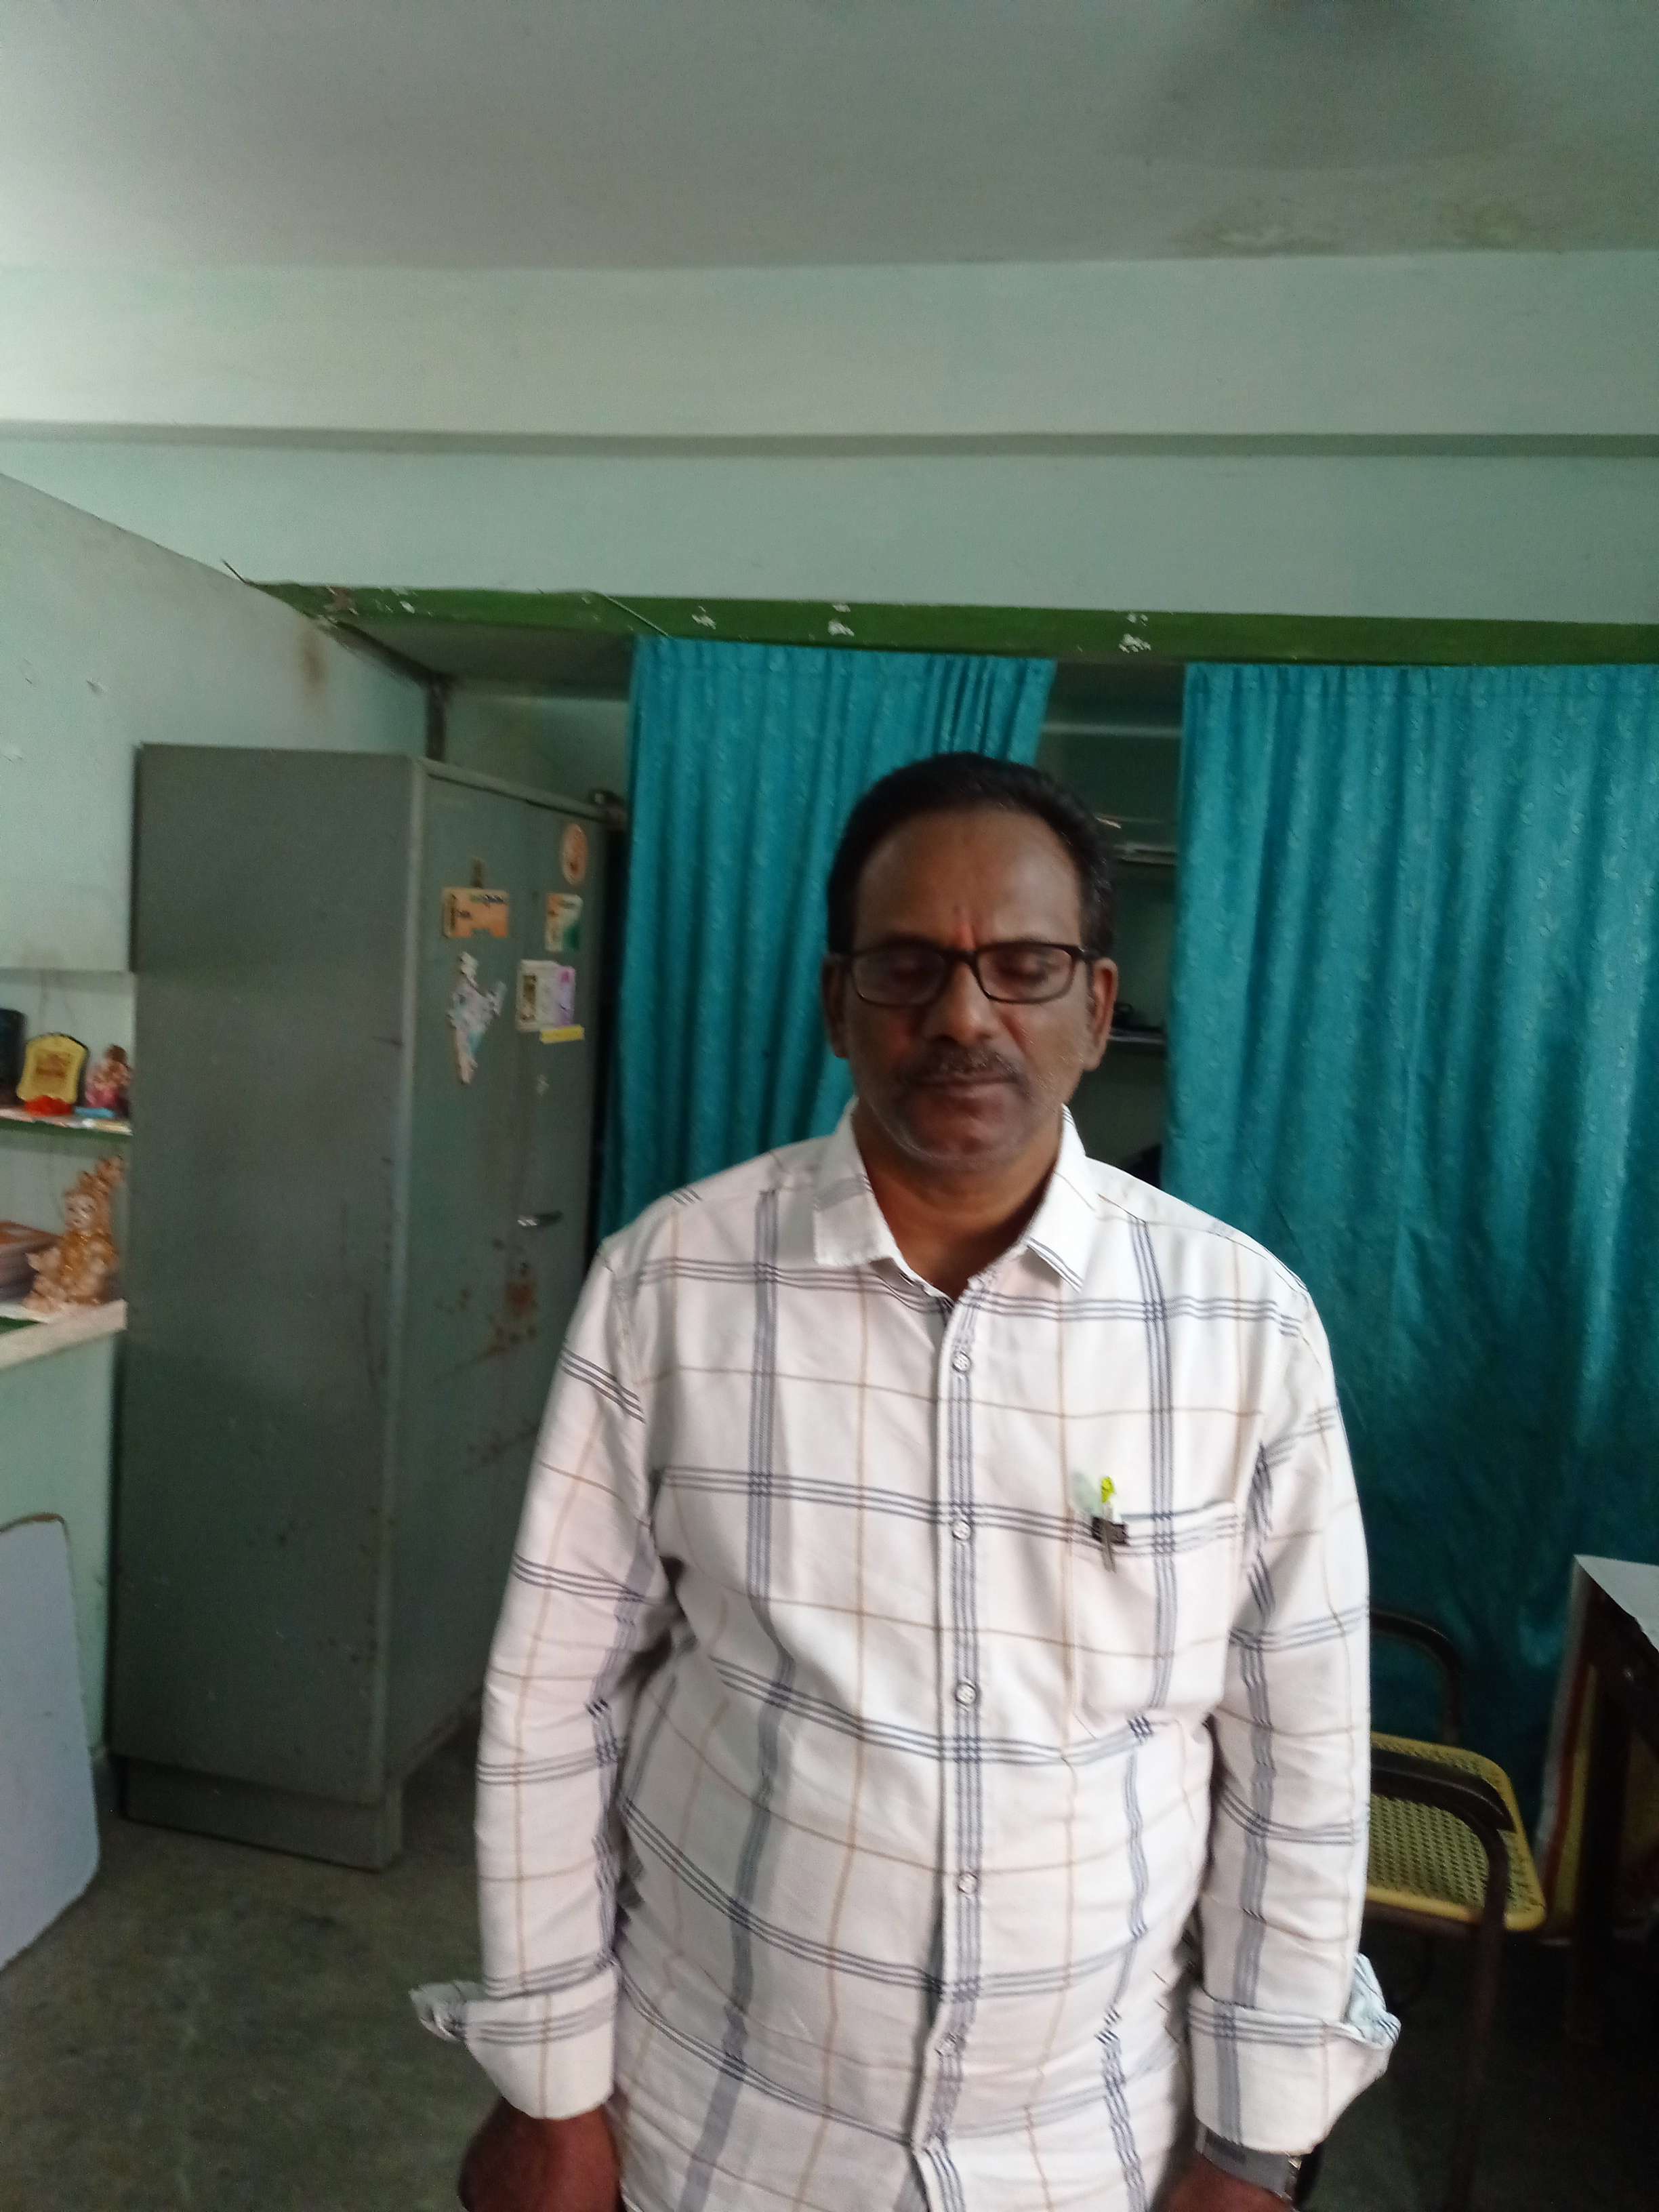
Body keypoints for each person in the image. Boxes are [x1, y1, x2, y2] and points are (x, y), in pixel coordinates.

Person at [416, 754, 1396, 2211]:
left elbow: (1299, 1759)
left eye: (1024, 967)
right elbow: (554, 1699)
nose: (963, 1016)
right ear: (836, 1002)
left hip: (1091, 2145)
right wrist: (551, 2087)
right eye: (909, 967)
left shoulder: (1241, 1326)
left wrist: (1255, 2144)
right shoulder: (670, 1286)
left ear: (1098, 1008)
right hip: (719, 2125)